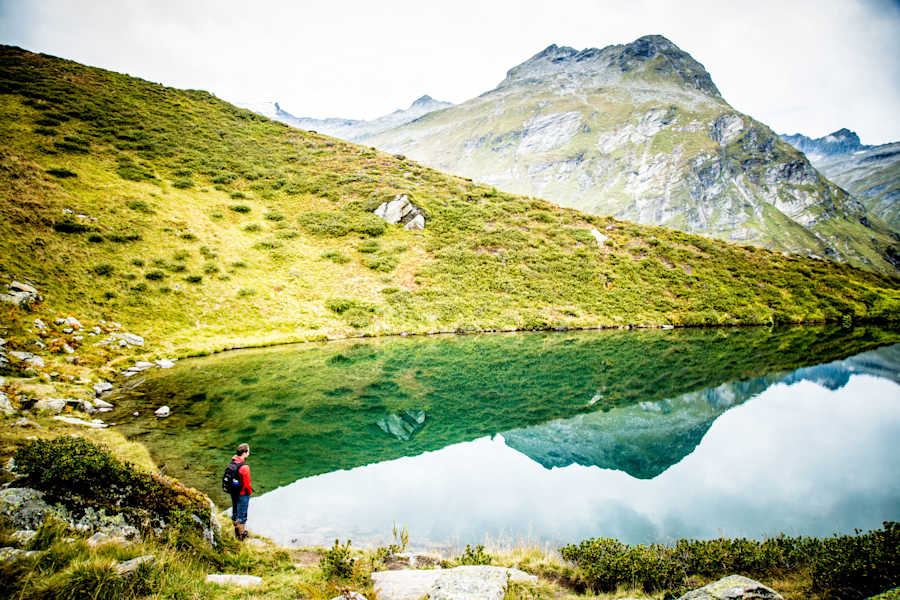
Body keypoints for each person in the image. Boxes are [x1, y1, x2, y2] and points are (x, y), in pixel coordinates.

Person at [228, 443, 253, 540]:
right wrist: (249, 492)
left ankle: (236, 531)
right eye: (248, 451)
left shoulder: (233, 462)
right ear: (244, 453)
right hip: (242, 494)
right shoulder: (244, 467)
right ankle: (241, 536)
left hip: (233, 492)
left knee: (235, 513)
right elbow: (247, 484)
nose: (249, 453)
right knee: (242, 516)